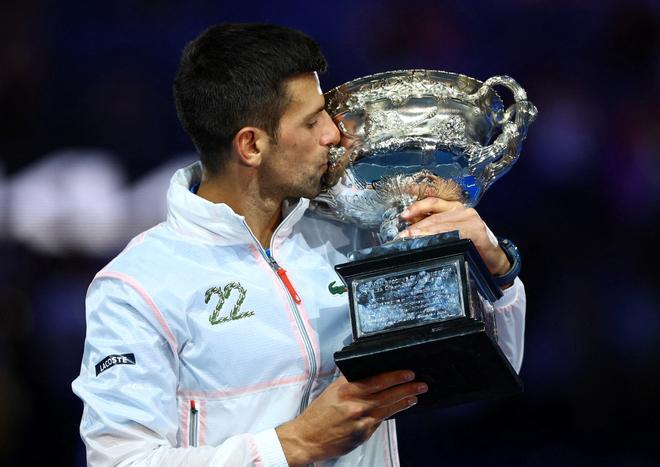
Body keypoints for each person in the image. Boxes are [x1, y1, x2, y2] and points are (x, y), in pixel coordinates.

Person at [72, 23, 525, 466]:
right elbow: (122, 460)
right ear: (251, 145)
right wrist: (294, 445)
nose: (333, 134)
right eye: (312, 122)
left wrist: (495, 270)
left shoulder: (358, 230)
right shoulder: (137, 286)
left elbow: (491, 364)